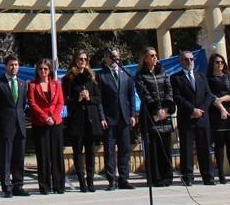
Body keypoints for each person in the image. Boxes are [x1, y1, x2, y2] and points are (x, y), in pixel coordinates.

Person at [170, 50, 215, 186]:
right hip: (187, 118)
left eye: (191, 59)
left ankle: (208, 176)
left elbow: (209, 95)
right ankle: (187, 177)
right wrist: (192, 110)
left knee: (204, 148)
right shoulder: (175, 78)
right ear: (180, 61)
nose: (189, 62)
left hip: (202, 117)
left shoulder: (201, 76)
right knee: (186, 149)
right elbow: (177, 97)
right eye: (186, 59)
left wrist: (200, 110)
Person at [62, 50, 103, 192]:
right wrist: (78, 98)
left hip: (90, 120)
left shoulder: (92, 77)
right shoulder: (68, 78)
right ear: (75, 60)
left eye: (85, 59)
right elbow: (65, 100)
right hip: (76, 119)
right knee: (78, 152)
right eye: (80, 59)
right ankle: (82, 182)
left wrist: (89, 97)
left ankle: (90, 181)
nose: (83, 61)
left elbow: (98, 98)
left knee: (91, 152)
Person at [0, 54, 28, 197]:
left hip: (20, 125)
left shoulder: (23, 83)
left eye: (16, 65)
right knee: (6, 157)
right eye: (11, 65)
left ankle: (18, 186)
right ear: (6, 66)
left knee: (19, 156)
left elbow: (22, 105)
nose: (14, 67)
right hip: (5, 125)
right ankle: (7, 187)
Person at [135, 46, 174, 188]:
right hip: (151, 116)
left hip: (165, 115)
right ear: (145, 59)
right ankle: (156, 178)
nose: (155, 58)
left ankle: (167, 177)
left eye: (155, 55)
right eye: (151, 55)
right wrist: (157, 110)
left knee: (166, 148)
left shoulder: (163, 72)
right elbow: (144, 94)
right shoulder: (140, 75)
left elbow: (169, 90)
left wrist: (167, 108)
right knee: (153, 148)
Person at [99, 47, 136, 190]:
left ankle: (124, 179)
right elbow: (99, 100)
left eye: (116, 56)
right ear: (106, 58)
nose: (115, 58)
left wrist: (132, 115)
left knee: (125, 149)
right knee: (109, 151)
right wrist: (102, 117)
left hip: (124, 117)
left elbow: (131, 96)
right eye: (111, 56)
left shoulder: (126, 74)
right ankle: (111, 180)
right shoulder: (101, 76)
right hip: (109, 119)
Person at [27, 58, 64, 195]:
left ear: (49, 70)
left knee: (56, 155)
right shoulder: (32, 85)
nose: (43, 71)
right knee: (43, 156)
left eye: (45, 69)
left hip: (55, 123)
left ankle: (59, 185)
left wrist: (53, 118)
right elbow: (32, 103)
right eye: (40, 69)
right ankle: (45, 186)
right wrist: (45, 117)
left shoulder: (57, 84)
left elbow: (60, 102)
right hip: (40, 124)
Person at [206, 53, 230, 184]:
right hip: (216, 113)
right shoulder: (208, 78)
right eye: (217, 62)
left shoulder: (229, 76)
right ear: (212, 64)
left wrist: (222, 100)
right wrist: (221, 108)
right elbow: (209, 95)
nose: (220, 64)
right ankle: (221, 174)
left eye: (221, 62)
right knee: (219, 145)